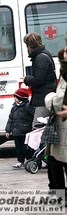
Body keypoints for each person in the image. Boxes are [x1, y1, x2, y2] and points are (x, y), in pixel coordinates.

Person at [44, 47, 67, 199]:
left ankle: (58, 195)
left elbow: (57, 102)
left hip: (63, 128)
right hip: (61, 127)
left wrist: (49, 98)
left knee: (55, 161)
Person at [23, 32, 57, 127]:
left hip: (43, 97)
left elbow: (38, 80)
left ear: (29, 45)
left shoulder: (40, 58)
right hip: (46, 95)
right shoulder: (44, 55)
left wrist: (26, 79)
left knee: (37, 126)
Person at [5, 88, 35, 169]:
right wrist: (8, 130)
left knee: (27, 148)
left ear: (21, 98)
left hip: (26, 132)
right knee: (19, 148)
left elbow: (33, 116)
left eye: (16, 97)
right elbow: (10, 119)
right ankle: (20, 161)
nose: (14, 99)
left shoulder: (28, 107)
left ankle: (30, 160)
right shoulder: (14, 107)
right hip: (16, 132)